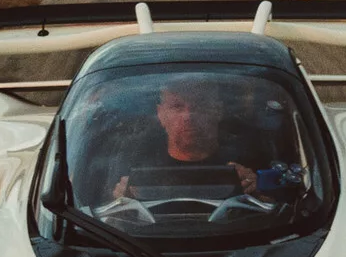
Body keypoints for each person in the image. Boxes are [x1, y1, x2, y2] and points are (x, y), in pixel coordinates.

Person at [107, 75, 295, 201]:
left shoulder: (254, 155)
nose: (188, 116)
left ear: (218, 111)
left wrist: (256, 190)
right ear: (160, 115)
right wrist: (121, 200)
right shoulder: (131, 158)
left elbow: (285, 209)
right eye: (177, 107)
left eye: (200, 105)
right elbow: (101, 217)